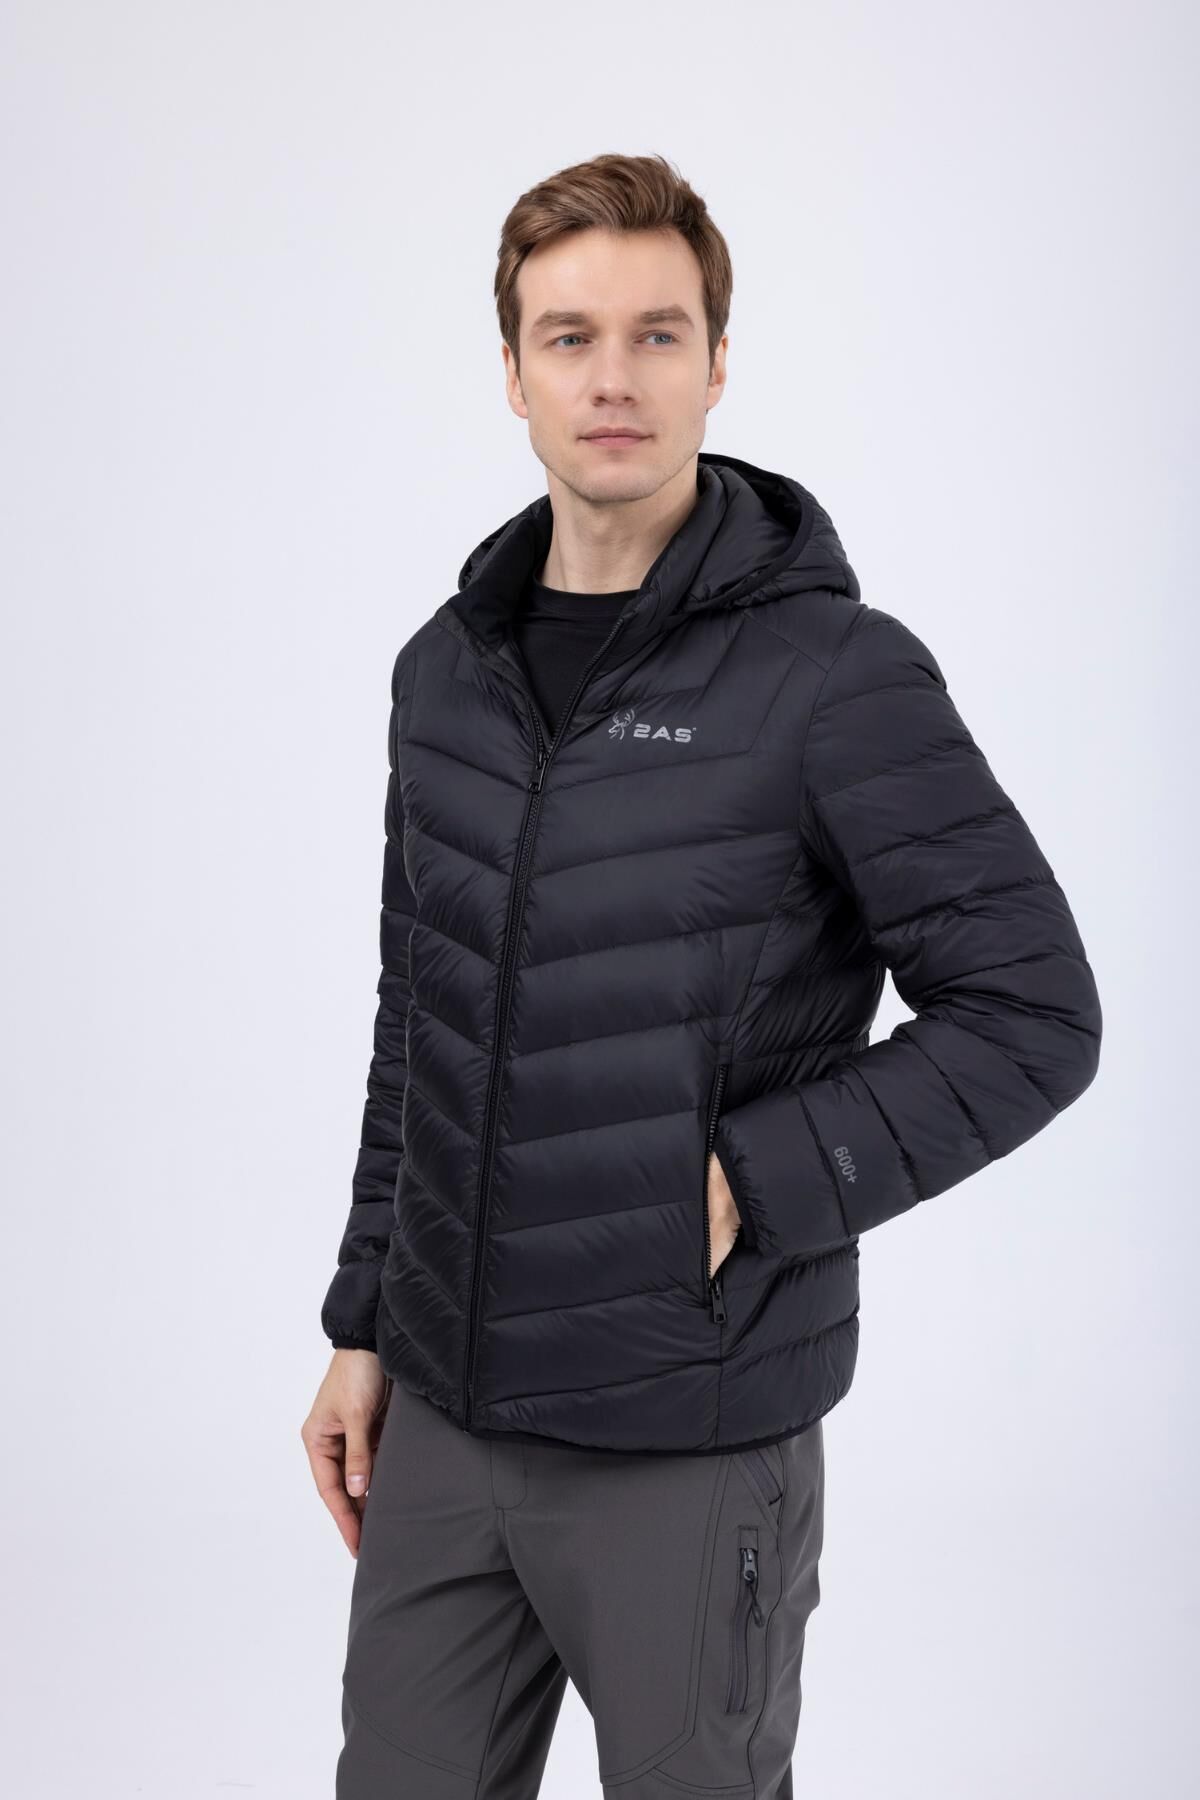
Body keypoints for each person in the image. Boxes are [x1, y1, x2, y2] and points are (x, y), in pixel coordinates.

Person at [301, 152, 1103, 1798]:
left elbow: (1034, 1012)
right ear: (512, 371)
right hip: (443, 1417)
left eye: (657, 335)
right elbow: (418, 1021)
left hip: (690, 1423)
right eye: (570, 337)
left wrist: (756, 1175)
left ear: (717, 365)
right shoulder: (443, 677)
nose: (614, 378)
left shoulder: (834, 678)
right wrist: (362, 1322)